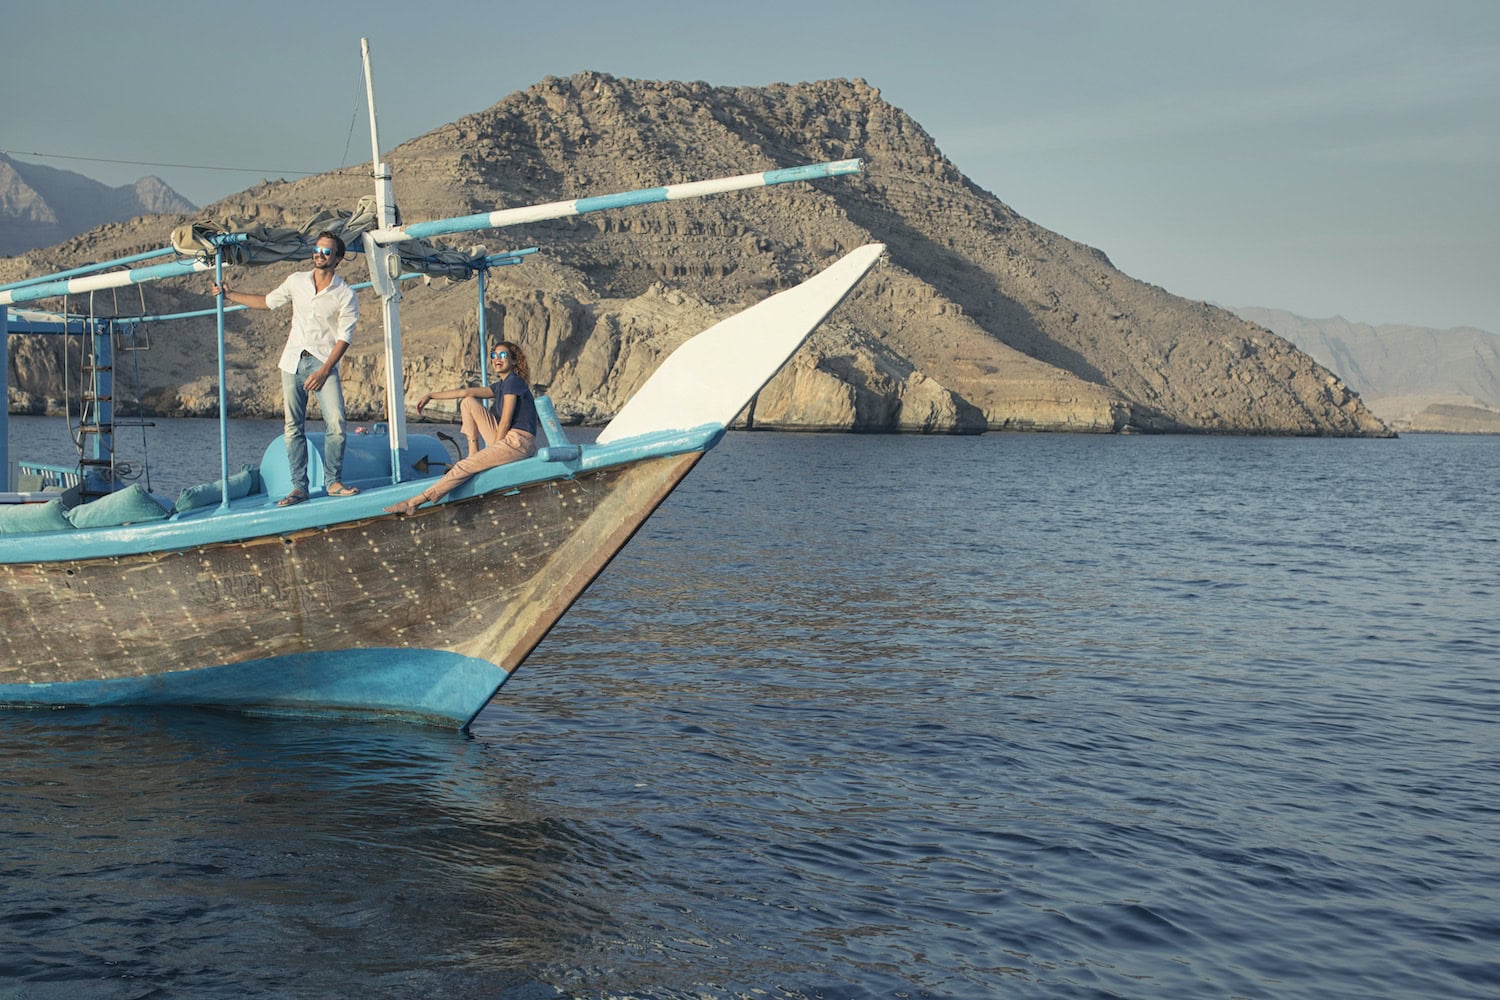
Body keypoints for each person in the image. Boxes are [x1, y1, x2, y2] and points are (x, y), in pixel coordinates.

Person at [213, 231, 360, 506]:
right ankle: (298, 487)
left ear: (338, 258)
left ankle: (333, 482)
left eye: (327, 251)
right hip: (292, 361)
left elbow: (345, 337)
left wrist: (325, 370)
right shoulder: (296, 281)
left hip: (323, 362)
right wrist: (229, 294)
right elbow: (267, 302)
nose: (319, 254)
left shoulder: (345, 294)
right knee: (293, 427)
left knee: (337, 423)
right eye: (317, 249)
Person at [383, 341, 539, 515]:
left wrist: (493, 449)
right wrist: (431, 396)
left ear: (514, 360)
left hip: (518, 442)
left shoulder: (513, 382)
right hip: (509, 438)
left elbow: (505, 422)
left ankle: (414, 502)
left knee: (464, 467)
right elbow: (465, 393)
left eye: (503, 355)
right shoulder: (502, 384)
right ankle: (473, 452)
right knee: (468, 402)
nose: (497, 359)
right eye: (494, 355)